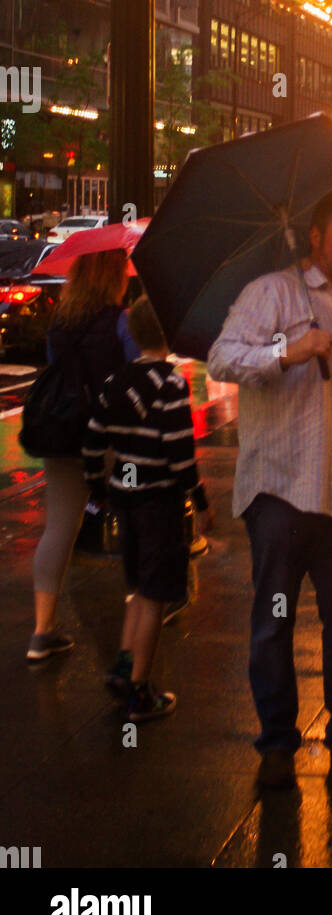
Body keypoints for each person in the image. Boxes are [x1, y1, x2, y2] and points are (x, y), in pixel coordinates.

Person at [207, 190, 332, 789]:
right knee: (273, 623)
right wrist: (289, 350)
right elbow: (222, 359)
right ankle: (278, 744)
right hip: (282, 490)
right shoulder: (273, 292)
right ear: (316, 236)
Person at [81, 297, 210, 721]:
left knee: (137, 585)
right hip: (159, 502)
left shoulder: (115, 381)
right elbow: (179, 452)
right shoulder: (170, 384)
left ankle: (123, 664)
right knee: (156, 596)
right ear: (168, 333)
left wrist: (98, 488)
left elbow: (94, 441)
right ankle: (140, 691)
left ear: (132, 334)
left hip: (125, 495)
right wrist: (200, 499)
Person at [26, 249, 138, 663]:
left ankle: (42, 631)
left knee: (59, 528)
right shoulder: (120, 322)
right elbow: (136, 375)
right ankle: (141, 617)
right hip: (108, 438)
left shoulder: (60, 325)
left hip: (61, 436)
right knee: (136, 519)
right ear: (111, 277)